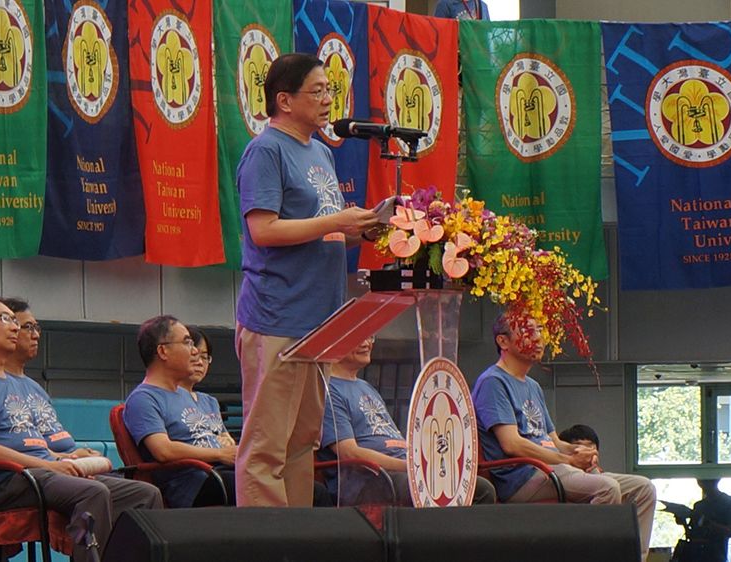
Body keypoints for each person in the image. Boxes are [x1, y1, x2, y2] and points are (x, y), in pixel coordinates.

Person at [235, 52, 378, 507]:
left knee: (302, 444)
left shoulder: (320, 152)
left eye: (329, 90)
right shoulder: (266, 150)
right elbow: (264, 230)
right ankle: (268, 537)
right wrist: (336, 220)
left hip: (320, 322)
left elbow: (320, 230)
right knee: (267, 447)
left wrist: (361, 230)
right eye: (317, 91)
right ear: (284, 100)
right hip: (278, 316)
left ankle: (297, 536)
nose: (328, 99)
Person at [0, 294, 162, 562]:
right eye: (4, 319)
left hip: (39, 472)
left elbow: (35, 444)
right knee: (92, 492)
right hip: (5, 482)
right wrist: (50, 465)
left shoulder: (16, 384)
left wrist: (63, 458)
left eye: (14, 320)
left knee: (145, 494)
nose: (14, 327)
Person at [472, 311, 656, 562]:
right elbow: (512, 444)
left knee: (644, 489)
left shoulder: (533, 386)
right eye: (528, 331)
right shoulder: (493, 382)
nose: (538, 338)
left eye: (539, 330)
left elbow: (555, 441)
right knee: (607, 488)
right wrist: (568, 460)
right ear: (503, 341)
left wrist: (580, 452)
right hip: (523, 477)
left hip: (554, 470)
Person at [319, 336, 496, 506]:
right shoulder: (329, 390)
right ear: (336, 342)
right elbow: (350, 453)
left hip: (406, 469)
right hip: (371, 480)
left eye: (370, 337)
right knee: (422, 487)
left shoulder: (367, 387)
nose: (366, 343)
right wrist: (412, 467)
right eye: (359, 337)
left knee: (482, 489)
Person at [123, 316, 236, 508]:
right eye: (187, 343)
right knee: (252, 486)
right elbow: (163, 450)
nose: (194, 351)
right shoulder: (143, 398)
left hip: (220, 471)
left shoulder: (189, 396)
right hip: (197, 484)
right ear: (163, 351)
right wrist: (219, 453)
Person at [1, 298, 105, 459]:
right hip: (44, 468)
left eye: (36, 328)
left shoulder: (36, 389)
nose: (36, 335)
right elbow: (31, 448)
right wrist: (67, 458)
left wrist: (79, 455)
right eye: (28, 327)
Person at [671, 479, 731, 562]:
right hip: (696, 556)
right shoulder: (699, 505)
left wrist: (706, 522)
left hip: (716, 556)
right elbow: (691, 536)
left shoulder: (729, 502)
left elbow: (730, 532)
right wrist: (683, 522)